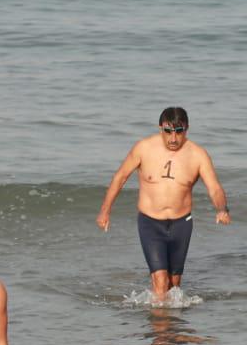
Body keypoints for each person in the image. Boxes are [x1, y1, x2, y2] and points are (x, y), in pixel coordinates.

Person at [96, 106, 231, 301]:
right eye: (168, 131)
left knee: (174, 285)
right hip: (150, 222)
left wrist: (222, 209)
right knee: (160, 282)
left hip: (181, 224)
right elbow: (120, 177)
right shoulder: (143, 148)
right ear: (161, 128)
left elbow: (215, 188)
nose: (173, 138)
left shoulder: (198, 155)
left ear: (187, 129)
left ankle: (172, 328)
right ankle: (160, 329)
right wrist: (104, 211)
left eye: (179, 131)